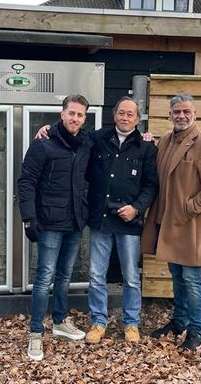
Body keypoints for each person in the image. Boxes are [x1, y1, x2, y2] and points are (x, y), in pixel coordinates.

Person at [36, 97, 158, 344]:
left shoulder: (146, 148)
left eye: (130, 114)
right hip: (101, 220)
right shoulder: (97, 139)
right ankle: (98, 321)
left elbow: (151, 184)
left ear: (138, 119)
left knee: (131, 276)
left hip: (129, 223)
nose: (125, 117)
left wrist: (136, 208)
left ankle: (131, 323)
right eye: (121, 113)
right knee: (96, 274)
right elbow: (70, 132)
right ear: (114, 115)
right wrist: (48, 128)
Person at [141, 93, 201, 351]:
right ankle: (179, 322)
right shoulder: (165, 141)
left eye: (186, 111)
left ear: (194, 113)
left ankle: (195, 330)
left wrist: (187, 209)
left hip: (191, 227)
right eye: (177, 111)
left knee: (192, 279)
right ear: (170, 114)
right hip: (167, 224)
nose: (181, 116)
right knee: (177, 276)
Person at [18, 94, 93, 361]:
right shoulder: (43, 143)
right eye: (71, 113)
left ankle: (60, 322)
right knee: (44, 277)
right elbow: (26, 182)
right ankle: (36, 333)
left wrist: (144, 136)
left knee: (65, 275)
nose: (75, 118)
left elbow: (115, 138)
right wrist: (28, 217)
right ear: (62, 114)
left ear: (85, 118)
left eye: (80, 115)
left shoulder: (86, 143)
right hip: (49, 221)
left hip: (74, 221)